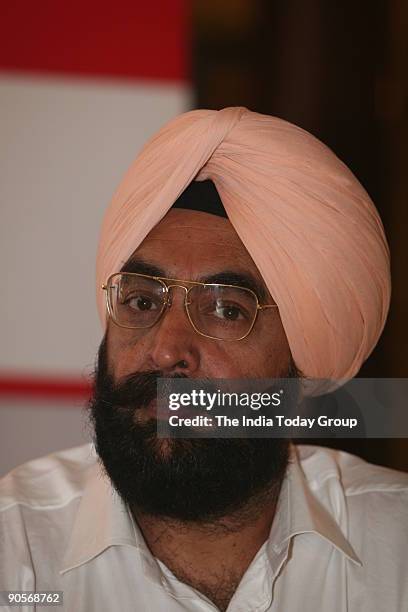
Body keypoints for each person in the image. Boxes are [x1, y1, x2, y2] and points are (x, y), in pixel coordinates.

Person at [1, 107, 407, 612]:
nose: (167, 349)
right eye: (143, 301)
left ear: (301, 370)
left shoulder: (396, 549)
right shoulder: (15, 546)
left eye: (224, 310)